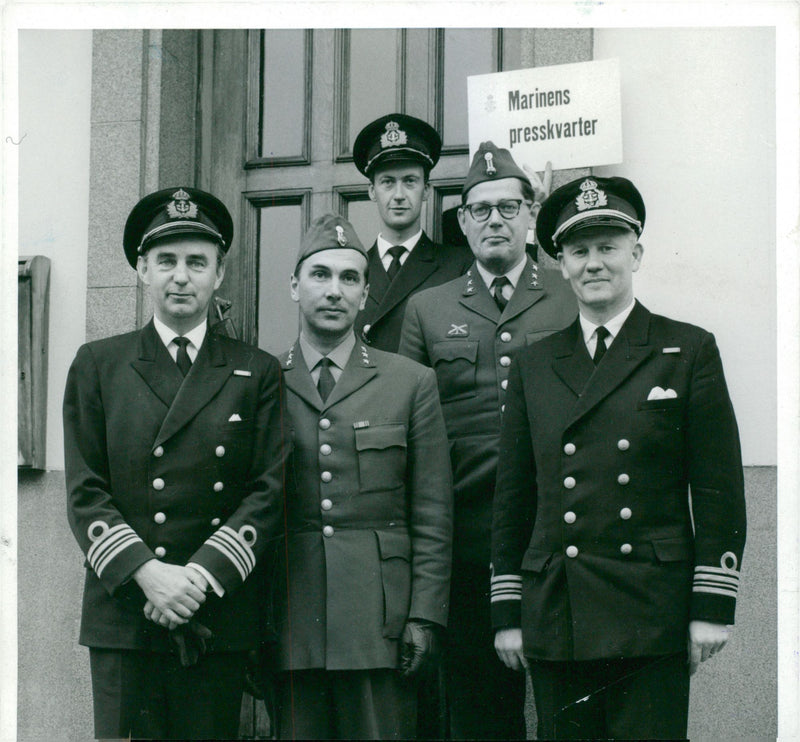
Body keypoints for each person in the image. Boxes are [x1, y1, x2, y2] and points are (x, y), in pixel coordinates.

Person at [491, 175, 747, 740]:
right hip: (559, 608)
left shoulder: (686, 349)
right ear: (561, 264)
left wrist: (712, 604)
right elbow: (513, 495)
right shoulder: (535, 364)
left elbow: (718, 488)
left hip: (651, 608)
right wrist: (508, 610)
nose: (594, 263)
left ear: (637, 252)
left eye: (607, 247)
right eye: (578, 251)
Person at [63, 187, 287, 740]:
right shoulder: (99, 364)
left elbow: (267, 490)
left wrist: (197, 578)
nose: (181, 276)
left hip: (215, 610)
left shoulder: (255, 370)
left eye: (196, 262)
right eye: (166, 261)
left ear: (219, 274)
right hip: (125, 612)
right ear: (142, 270)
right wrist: (150, 575)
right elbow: (86, 492)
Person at [398, 142, 577, 739]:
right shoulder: (427, 309)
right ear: (463, 223)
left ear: (531, 214)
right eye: (480, 210)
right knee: (480, 709)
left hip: (556, 530)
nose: (494, 220)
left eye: (508, 207)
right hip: (468, 539)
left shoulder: (568, 294)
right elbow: (411, 429)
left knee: (566, 696)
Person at [273, 214, 453, 740]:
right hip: (290, 617)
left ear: (366, 292)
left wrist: (425, 615)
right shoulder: (261, 379)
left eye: (350, 278)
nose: (335, 290)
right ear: (294, 285)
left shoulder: (411, 381)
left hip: (382, 618)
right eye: (320, 275)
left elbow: (433, 510)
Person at [352, 113, 473, 352]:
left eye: (409, 181)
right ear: (372, 191)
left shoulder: (459, 266)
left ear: (426, 189)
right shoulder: (353, 270)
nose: (398, 195)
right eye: (387, 182)